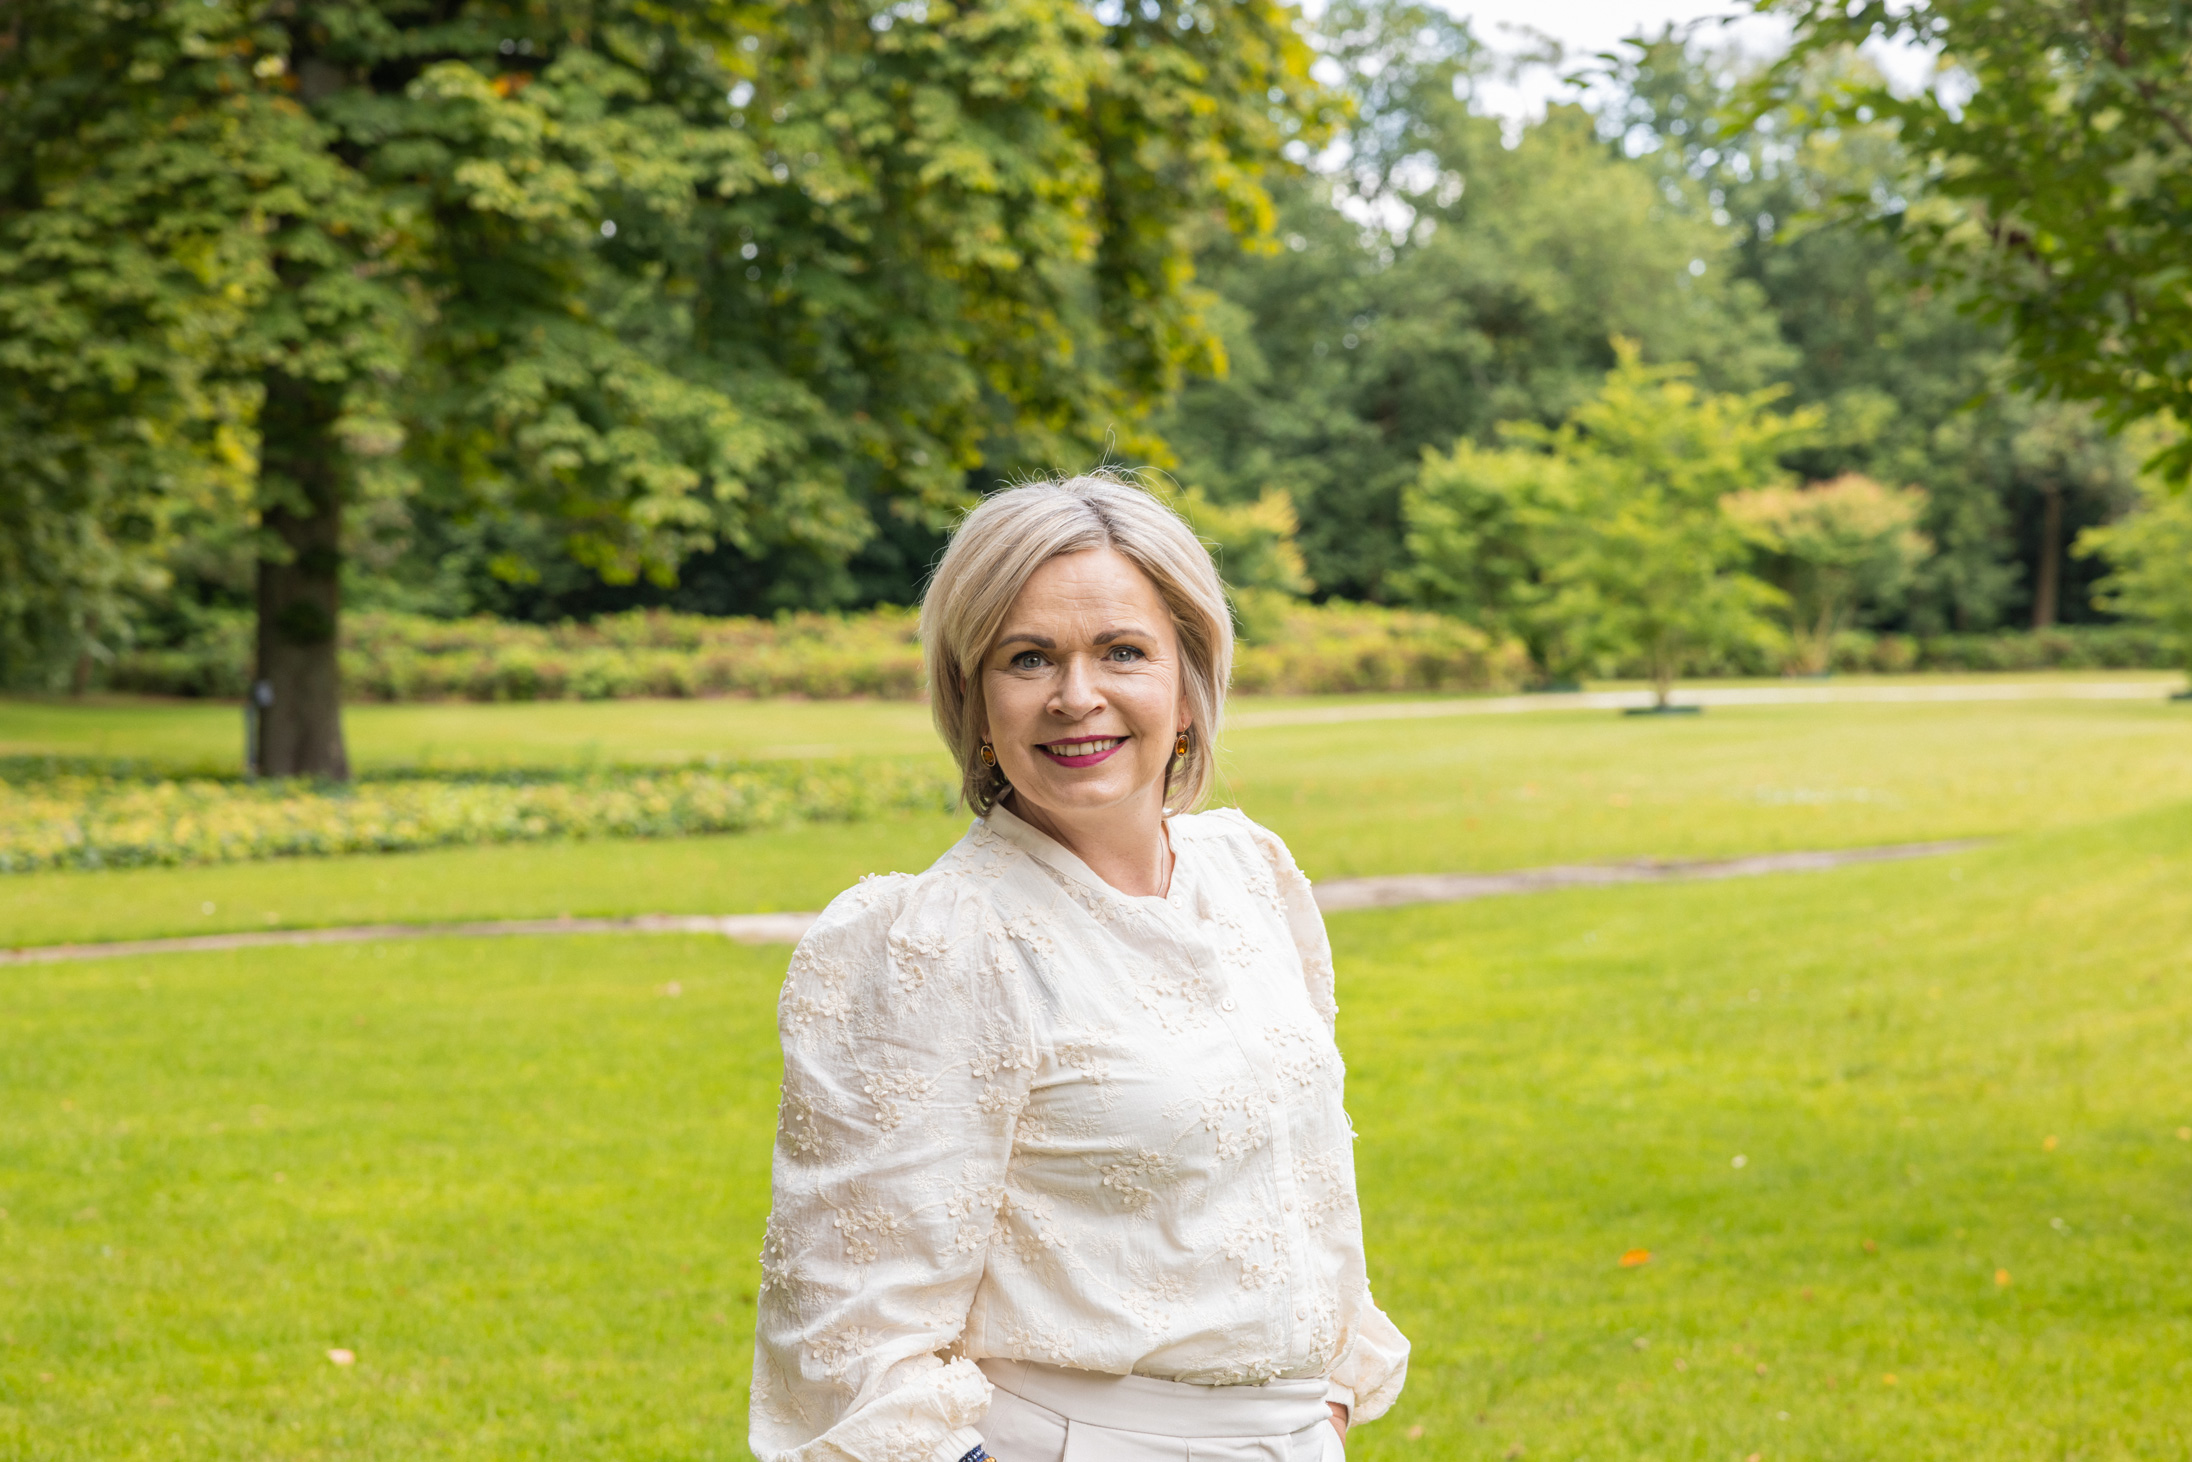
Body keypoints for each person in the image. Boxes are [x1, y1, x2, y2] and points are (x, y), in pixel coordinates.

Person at [751, 475, 1409, 1462]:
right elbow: (847, 1336)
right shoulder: (937, 942)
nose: (1075, 696)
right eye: (1028, 658)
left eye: (1121, 651)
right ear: (973, 703)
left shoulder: (1247, 877)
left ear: (1187, 686)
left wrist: (1322, 1407)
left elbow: (1299, 1188)